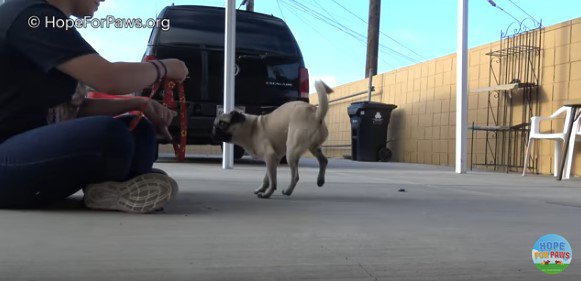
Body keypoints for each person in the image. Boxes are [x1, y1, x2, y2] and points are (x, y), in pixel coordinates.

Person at [0, 0, 189, 213]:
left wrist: (139, 103)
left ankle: (108, 189)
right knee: (109, 135)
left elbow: (75, 109)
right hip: (5, 155)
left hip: (25, 145)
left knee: (140, 131)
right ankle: (119, 181)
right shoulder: (32, 17)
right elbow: (109, 79)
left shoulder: (45, 19)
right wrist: (163, 67)